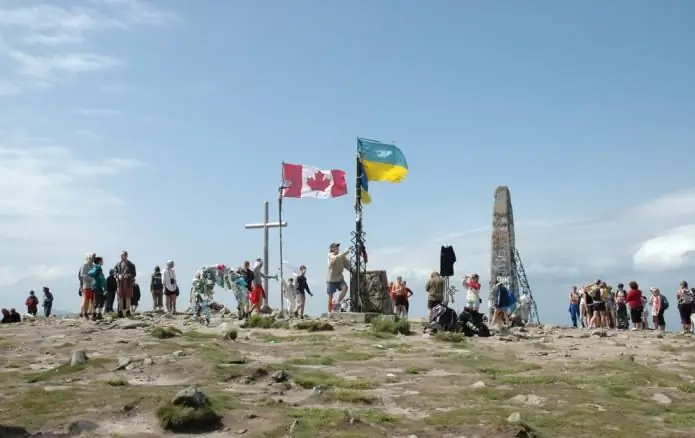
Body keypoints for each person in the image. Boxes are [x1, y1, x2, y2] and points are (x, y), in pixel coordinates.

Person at [326, 242, 351, 313]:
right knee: (330, 297)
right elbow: (336, 258)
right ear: (332, 249)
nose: (337, 247)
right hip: (331, 279)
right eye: (335, 246)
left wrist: (353, 270)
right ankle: (329, 312)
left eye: (337, 246)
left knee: (345, 288)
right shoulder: (330, 255)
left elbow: (346, 263)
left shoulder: (341, 255)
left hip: (339, 277)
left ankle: (338, 302)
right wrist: (346, 251)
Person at [114, 250, 137, 318]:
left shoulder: (131, 265)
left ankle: (127, 311)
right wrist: (118, 275)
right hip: (120, 282)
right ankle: (120, 312)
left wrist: (128, 276)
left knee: (128, 297)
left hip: (128, 283)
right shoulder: (118, 264)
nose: (121, 257)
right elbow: (114, 272)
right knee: (120, 297)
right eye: (120, 255)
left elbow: (134, 274)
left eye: (122, 255)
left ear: (126, 256)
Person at [89, 256, 107, 321]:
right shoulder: (98, 268)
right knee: (99, 301)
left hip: (95, 286)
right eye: (102, 261)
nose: (103, 262)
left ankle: (96, 314)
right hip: (98, 286)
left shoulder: (95, 267)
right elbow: (102, 278)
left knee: (98, 301)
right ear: (99, 261)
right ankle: (95, 315)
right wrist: (105, 287)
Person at [79, 253, 95, 319]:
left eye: (93, 258)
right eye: (91, 258)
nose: (92, 259)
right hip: (87, 285)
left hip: (93, 286)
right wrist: (91, 279)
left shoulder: (93, 266)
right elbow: (82, 275)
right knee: (86, 300)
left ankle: (92, 313)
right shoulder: (85, 265)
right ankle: (85, 313)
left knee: (93, 300)